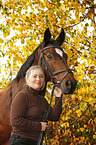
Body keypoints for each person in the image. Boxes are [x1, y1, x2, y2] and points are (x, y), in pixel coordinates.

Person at [9, 65, 63, 145]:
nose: (38, 79)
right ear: (27, 79)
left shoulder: (42, 100)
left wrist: (58, 97)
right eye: (34, 76)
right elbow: (15, 120)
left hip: (36, 142)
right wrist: (39, 126)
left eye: (41, 77)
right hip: (20, 141)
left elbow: (54, 116)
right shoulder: (23, 96)